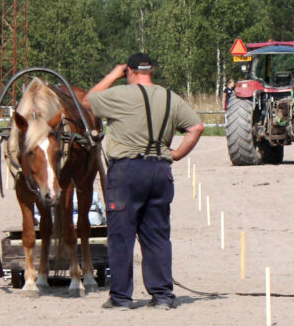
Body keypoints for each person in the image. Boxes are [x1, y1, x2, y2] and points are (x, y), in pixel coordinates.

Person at [86, 53, 205, 310]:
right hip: (160, 171)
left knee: (121, 236)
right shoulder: (171, 98)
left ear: (129, 71)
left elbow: (86, 101)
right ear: (152, 71)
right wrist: (176, 154)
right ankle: (162, 295)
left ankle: (120, 298)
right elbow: (197, 128)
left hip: (126, 171)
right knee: (157, 236)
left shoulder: (119, 95)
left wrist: (112, 75)